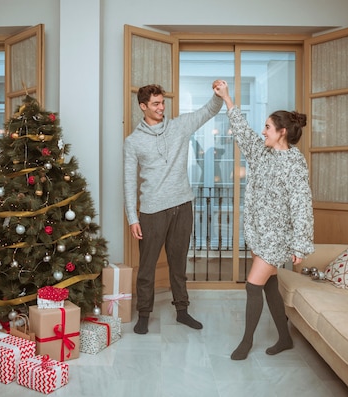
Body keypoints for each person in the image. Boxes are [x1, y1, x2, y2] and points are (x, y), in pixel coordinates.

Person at [213, 80, 314, 360]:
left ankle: (246, 342)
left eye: (268, 127)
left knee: (252, 284)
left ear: (282, 132)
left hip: (277, 236)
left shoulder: (295, 163)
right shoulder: (262, 152)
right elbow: (244, 133)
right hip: (257, 231)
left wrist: (300, 245)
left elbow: (301, 204)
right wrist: (227, 98)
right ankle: (284, 338)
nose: (263, 131)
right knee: (269, 285)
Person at [124, 82, 224, 334]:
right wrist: (132, 217)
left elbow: (208, 110)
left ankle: (182, 311)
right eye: (156, 104)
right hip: (152, 211)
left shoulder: (179, 126)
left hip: (182, 206)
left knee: (178, 264)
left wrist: (219, 93)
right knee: (146, 268)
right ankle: (144, 315)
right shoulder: (133, 141)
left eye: (162, 102)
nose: (161, 107)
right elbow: (127, 181)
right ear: (143, 107)